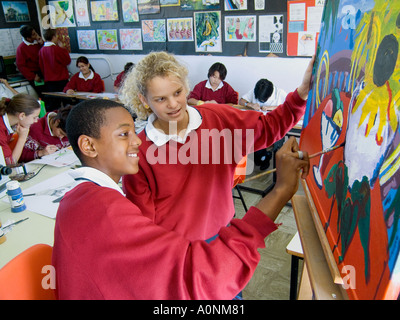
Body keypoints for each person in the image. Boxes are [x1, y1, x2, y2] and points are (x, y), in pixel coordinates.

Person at [52, 98, 310, 299]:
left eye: (133, 132)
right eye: (124, 135)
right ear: (89, 146)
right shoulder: (108, 212)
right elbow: (209, 277)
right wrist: (280, 191)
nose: (137, 142)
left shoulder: (75, 199)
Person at [119, 51, 314, 242]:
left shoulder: (218, 118)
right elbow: (144, 223)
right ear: (144, 100)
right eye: (161, 99)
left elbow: (269, 126)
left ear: (186, 87)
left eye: (177, 92)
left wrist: (302, 93)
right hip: (175, 248)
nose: (173, 104)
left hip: (221, 233)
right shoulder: (138, 153)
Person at [239, 78, 288, 170]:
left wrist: (271, 107)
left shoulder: (280, 93)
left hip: (272, 126)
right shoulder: (256, 90)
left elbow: (287, 107)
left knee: (262, 138)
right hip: (257, 124)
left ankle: (264, 157)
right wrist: (250, 104)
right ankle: (263, 157)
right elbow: (241, 100)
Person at [0, 93, 41, 165]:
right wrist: (22, 138)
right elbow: (10, 164)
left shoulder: (9, 123)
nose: (36, 121)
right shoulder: (1, 130)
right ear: (22, 115)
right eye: (34, 117)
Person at [39, 28, 71, 111]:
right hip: (61, 81)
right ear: (54, 37)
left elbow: (41, 66)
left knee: (53, 104)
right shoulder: (58, 50)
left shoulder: (41, 50)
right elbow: (67, 61)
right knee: (66, 103)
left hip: (49, 82)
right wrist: (63, 48)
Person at [15, 25, 44, 98]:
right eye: (34, 34)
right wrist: (33, 76)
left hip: (43, 71)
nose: (36, 35)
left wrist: (42, 44)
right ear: (28, 38)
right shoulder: (21, 48)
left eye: (35, 33)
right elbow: (21, 66)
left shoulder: (38, 43)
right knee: (43, 95)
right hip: (34, 74)